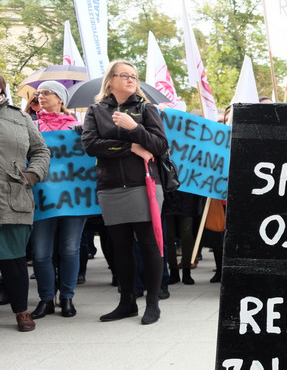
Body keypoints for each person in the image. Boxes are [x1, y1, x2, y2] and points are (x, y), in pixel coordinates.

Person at [81, 60, 169, 324]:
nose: (131, 80)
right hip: (109, 186)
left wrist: (136, 129)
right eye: (124, 75)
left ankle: (152, 303)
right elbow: (91, 145)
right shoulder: (96, 111)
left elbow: (161, 146)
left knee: (148, 244)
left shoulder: (146, 108)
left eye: (134, 76)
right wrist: (129, 147)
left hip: (144, 185)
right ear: (110, 80)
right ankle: (127, 302)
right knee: (120, 247)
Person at [28, 82, 85, 320]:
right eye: (38, 93)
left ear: (60, 99)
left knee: (70, 250)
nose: (41, 97)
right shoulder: (30, 126)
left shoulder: (78, 128)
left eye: (47, 93)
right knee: (40, 254)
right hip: (42, 198)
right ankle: (45, 299)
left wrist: (87, 137)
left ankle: (67, 297)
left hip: (73, 199)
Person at [0, 74, 51, 331]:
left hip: (13, 197)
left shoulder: (19, 117)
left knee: (14, 259)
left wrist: (32, 175)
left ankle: (21, 311)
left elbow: (41, 150)